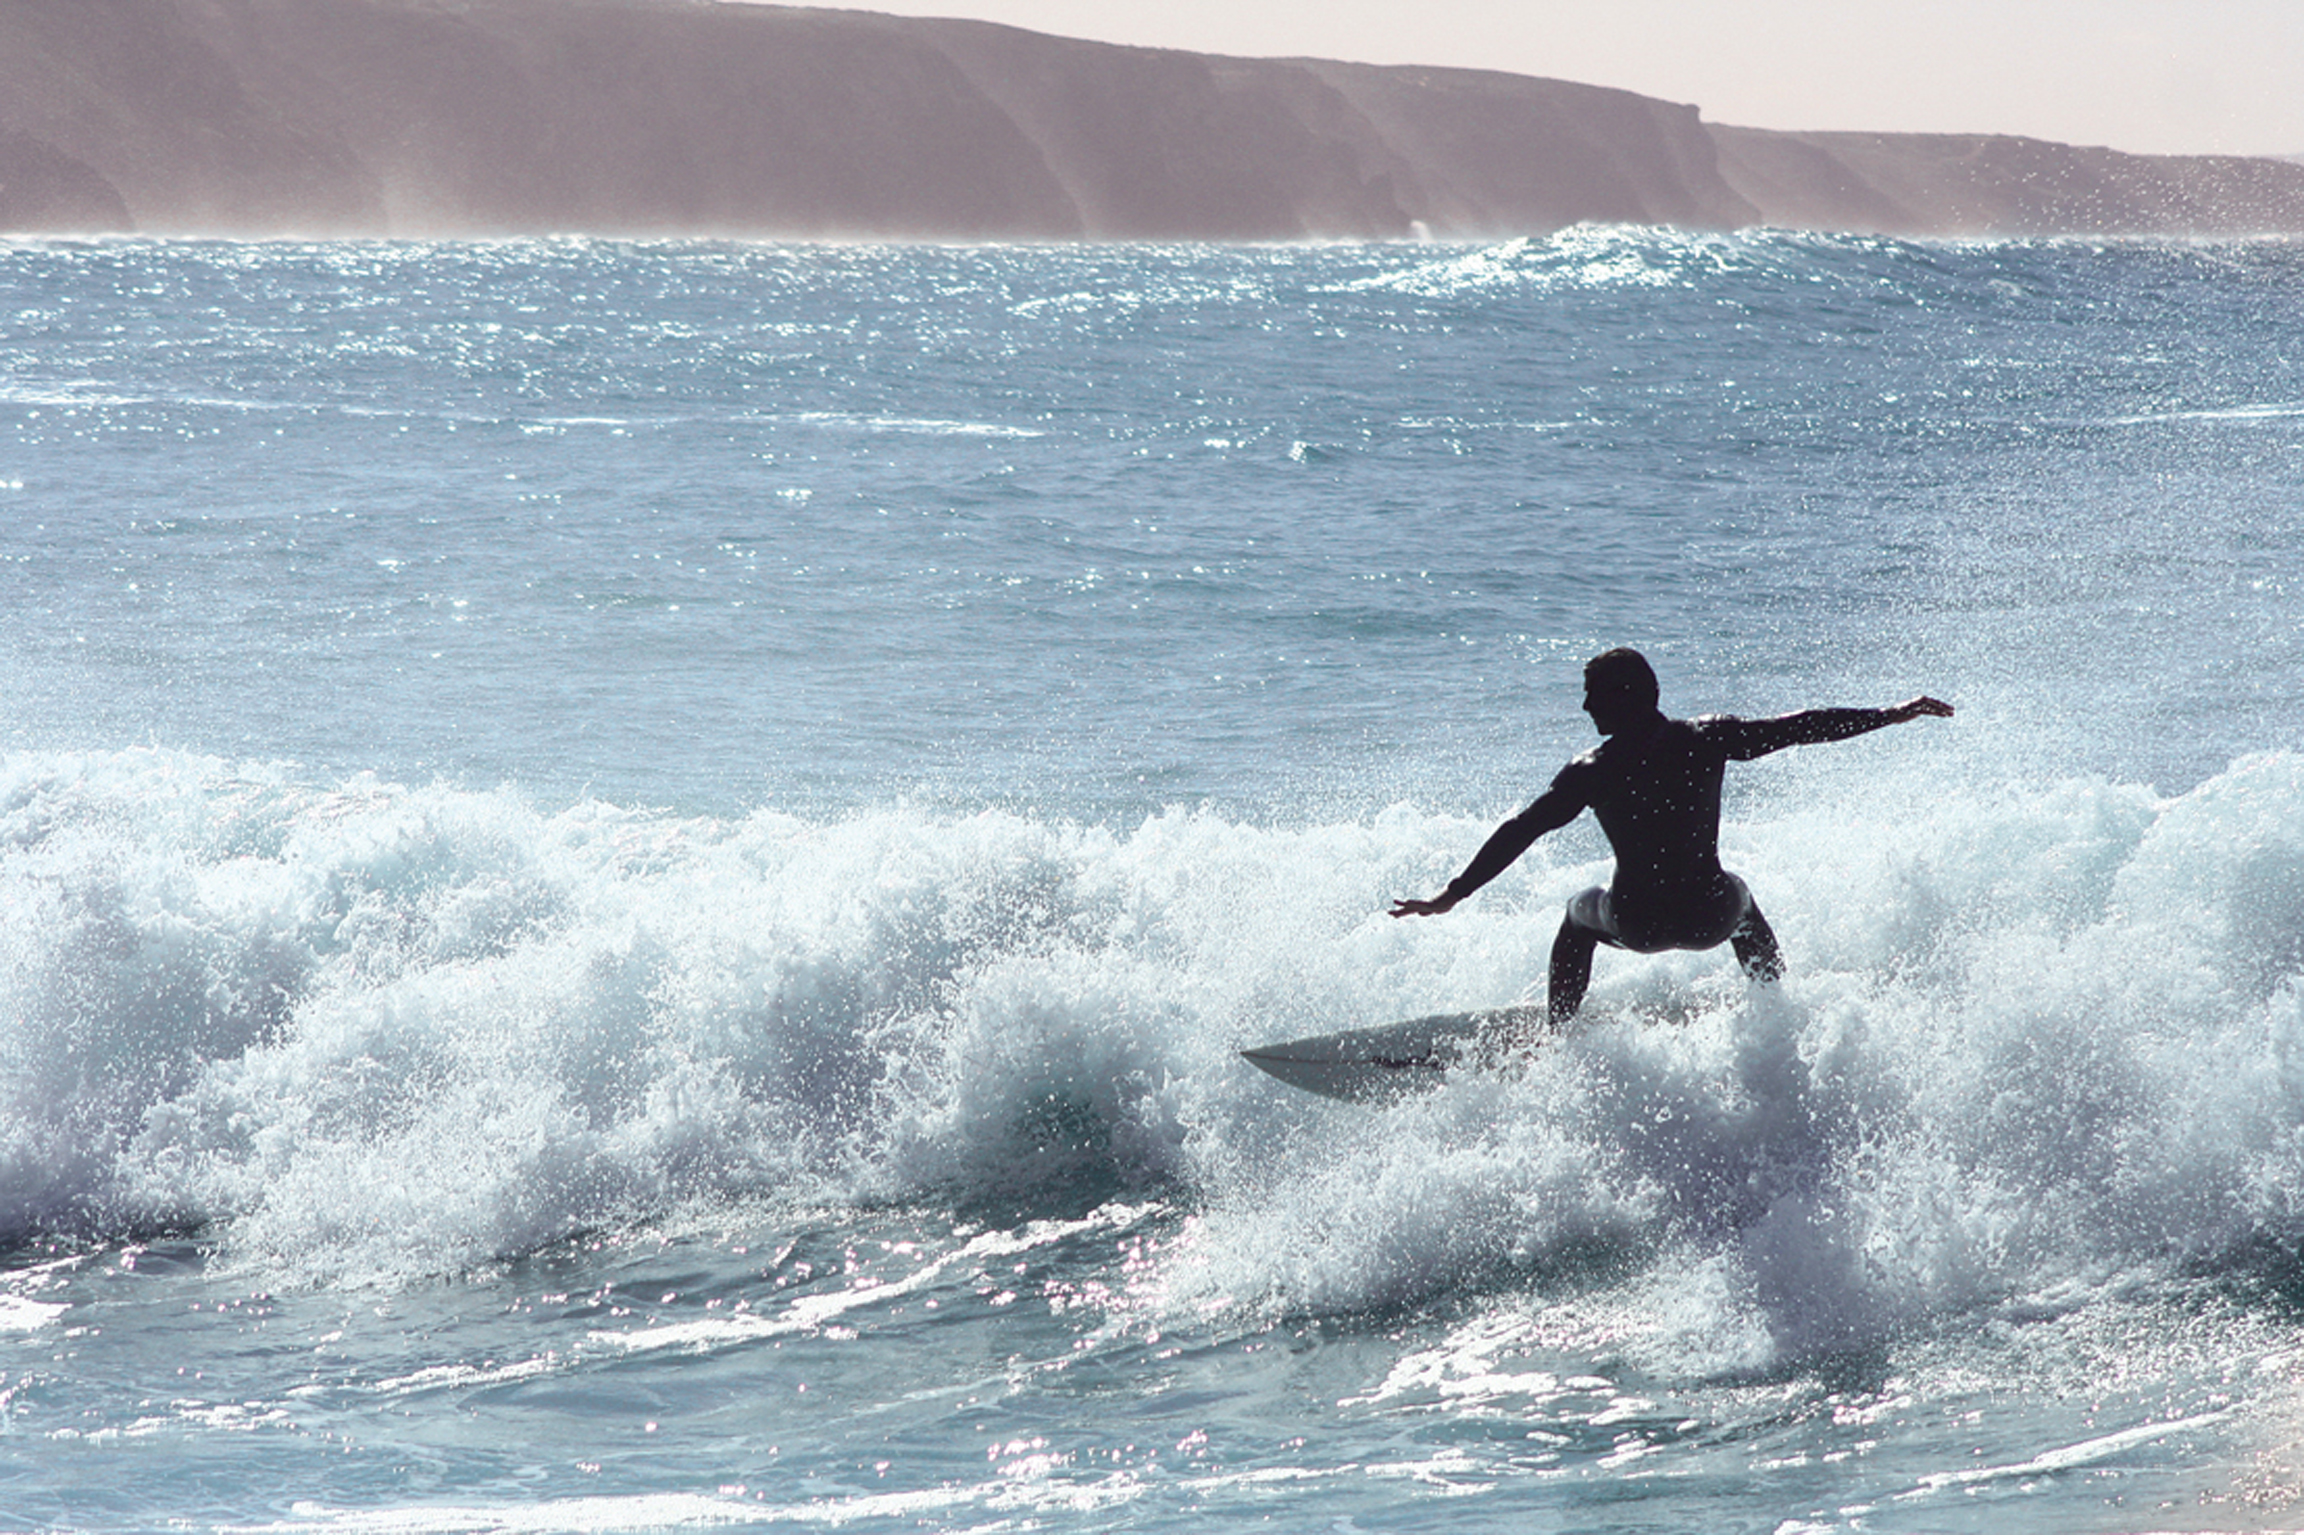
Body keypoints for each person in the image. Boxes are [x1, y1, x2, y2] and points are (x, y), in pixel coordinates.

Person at [1390, 648, 1952, 1031]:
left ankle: (1558, 1036)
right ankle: (1773, 1019)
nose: (1585, 706)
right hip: (1711, 913)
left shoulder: (1592, 769)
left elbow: (1522, 829)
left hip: (1638, 921)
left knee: (1575, 916)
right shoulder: (1707, 738)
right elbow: (1800, 728)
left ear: (1625, 695)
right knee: (1746, 907)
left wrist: (1454, 893)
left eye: (1594, 694)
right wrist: (1887, 715)